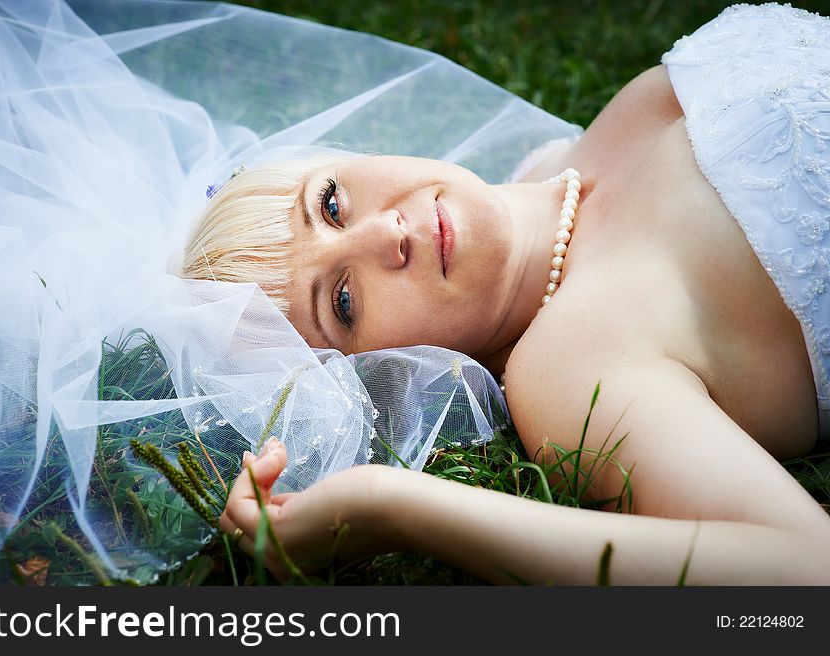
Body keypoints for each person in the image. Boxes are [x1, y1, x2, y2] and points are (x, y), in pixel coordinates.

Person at [207, 3, 830, 584]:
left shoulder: (559, 160)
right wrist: (387, 504)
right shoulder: (565, 367)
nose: (386, 234)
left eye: (331, 203)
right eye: (343, 301)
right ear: (384, 372)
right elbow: (806, 566)